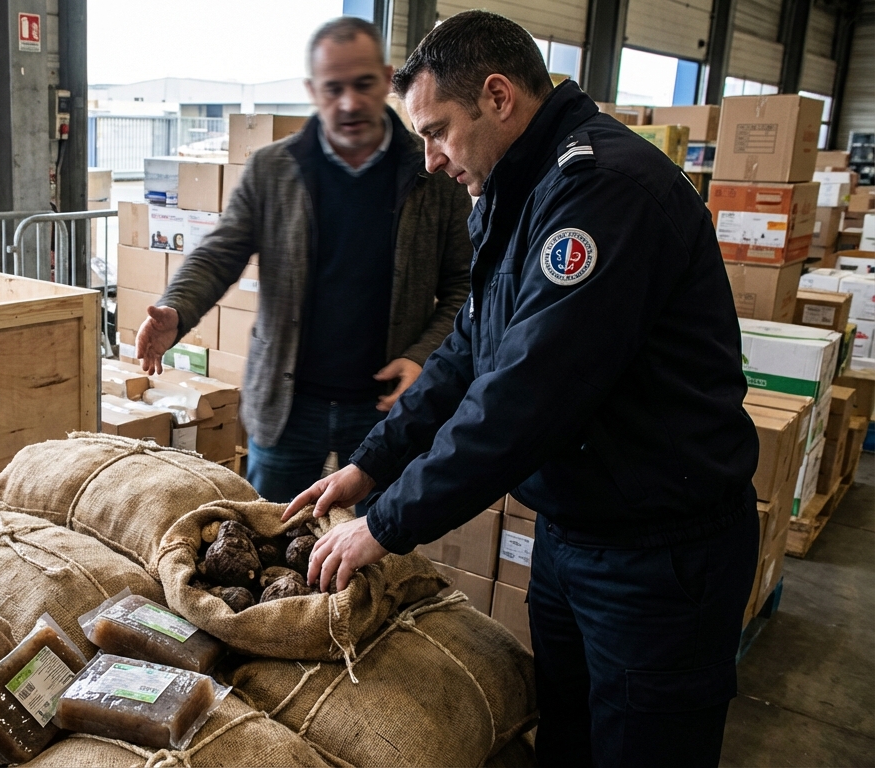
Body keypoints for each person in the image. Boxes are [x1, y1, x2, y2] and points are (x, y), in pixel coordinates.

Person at [284, 11, 760, 766]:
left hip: (658, 560)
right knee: (564, 741)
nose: (433, 160)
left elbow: (525, 396)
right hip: (574, 539)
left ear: (498, 98)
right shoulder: (518, 190)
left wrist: (383, 526)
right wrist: (368, 467)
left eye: (438, 131)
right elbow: (468, 353)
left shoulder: (601, 191)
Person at [134, 16, 472, 505]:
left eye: (363, 84)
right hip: (288, 404)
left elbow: (465, 284)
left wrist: (423, 357)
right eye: (334, 88)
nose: (350, 102)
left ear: (386, 78)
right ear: (313, 90)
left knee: (378, 549)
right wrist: (177, 310)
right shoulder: (275, 168)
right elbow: (220, 252)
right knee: (272, 537)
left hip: (385, 406)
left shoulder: (431, 171)